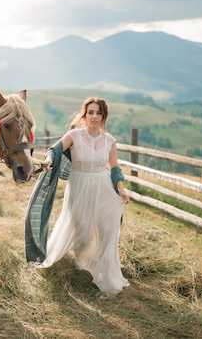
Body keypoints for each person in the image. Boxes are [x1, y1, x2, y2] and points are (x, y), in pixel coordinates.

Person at [26, 97, 130, 296]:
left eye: (98, 113)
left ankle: (105, 270)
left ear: (103, 116)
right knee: (81, 228)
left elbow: (114, 167)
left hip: (103, 186)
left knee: (107, 228)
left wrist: (121, 188)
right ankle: (84, 261)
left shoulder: (109, 141)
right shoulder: (74, 135)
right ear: (84, 115)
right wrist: (48, 160)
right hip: (79, 186)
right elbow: (54, 150)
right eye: (90, 112)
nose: (94, 116)